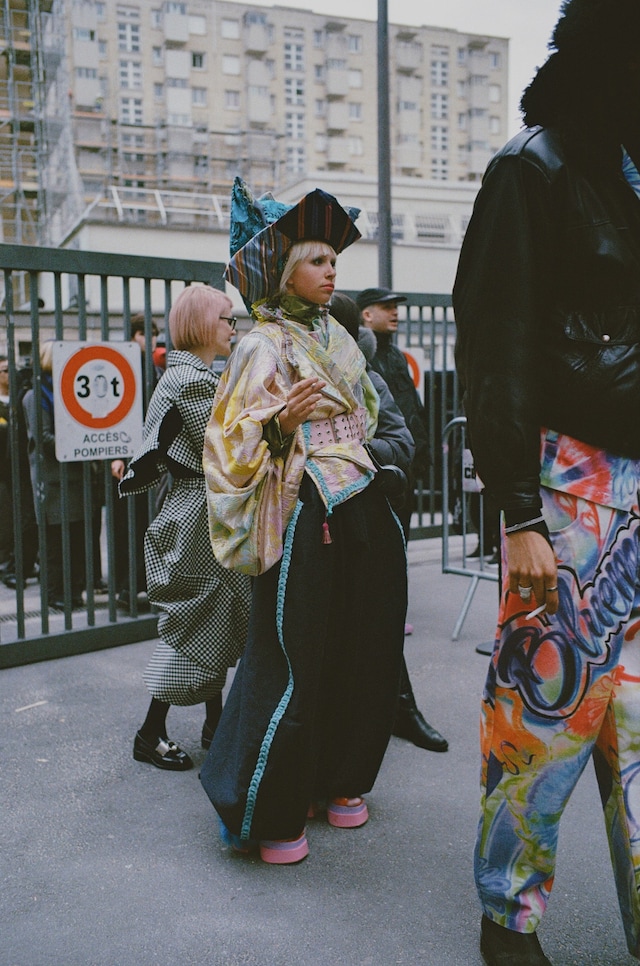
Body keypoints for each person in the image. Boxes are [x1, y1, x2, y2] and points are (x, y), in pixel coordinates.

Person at [453, 1, 640, 963]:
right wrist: (517, 508)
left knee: (639, 731)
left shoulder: (626, 172)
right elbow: (497, 347)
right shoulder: (536, 167)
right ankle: (508, 920)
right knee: (543, 717)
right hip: (570, 488)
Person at [199, 179, 407, 865]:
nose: (331, 271)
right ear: (286, 270)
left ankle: (336, 780)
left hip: (358, 509)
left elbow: (371, 419)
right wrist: (281, 429)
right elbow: (227, 441)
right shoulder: (259, 345)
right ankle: (267, 806)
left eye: (333, 261)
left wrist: (353, 448)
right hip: (297, 515)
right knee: (290, 658)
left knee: (358, 649)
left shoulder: (342, 339)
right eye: (317, 260)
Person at [120, 286, 252, 771]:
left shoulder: (189, 374)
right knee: (197, 621)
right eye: (223, 318)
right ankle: (150, 733)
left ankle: (212, 725)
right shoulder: (192, 380)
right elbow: (226, 449)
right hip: (201, 509)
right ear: (199, 325)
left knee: (212, 618)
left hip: (199, 505)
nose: (231, 326)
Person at [330, 291, 448, 754]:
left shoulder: (372, 370)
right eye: (388, 306)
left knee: (377, 610)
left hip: (379, 498)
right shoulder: (285, 368)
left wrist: (367, 456)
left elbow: (400, 431)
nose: (396, 313)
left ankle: (396, 710)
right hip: (318, 518)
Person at [22, 341, 85, 609]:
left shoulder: (63, 391)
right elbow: (43, 437)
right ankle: (53, 594)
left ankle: (71, 592)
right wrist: (80, 443)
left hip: (70, 477)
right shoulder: (35, 396)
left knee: (73, 539)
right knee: (54, 542)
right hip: (51, 479)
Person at [111, 313, 164, 609]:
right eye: (146, 334)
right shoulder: (125, 366)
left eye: (154, 334)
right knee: (126, 526)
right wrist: (117, 454)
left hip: (148, 459)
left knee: (145, 524)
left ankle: (140, 585)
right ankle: (126, 587)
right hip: (127, 460)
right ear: (133, 336)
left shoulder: (151, 369)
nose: (151, 340)